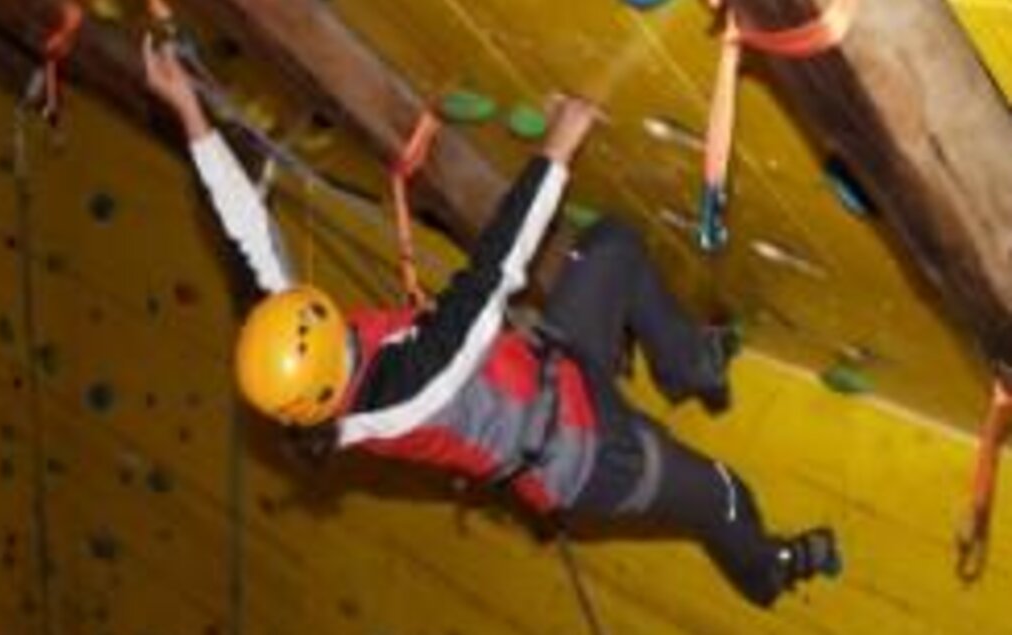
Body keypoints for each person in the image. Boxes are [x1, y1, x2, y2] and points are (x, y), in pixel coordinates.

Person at [143, 35, 840, 608]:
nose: (340, 322)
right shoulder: (409, 385)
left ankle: (690, 366)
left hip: (558, 365)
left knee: (615, 248)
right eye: (336, 335)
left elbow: (249, 239)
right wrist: (557, 150)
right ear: (331, 382)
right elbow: (493, 271)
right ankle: (769, 567)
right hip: (587, 457)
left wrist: (190, 115)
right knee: (721, 494)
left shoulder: (307, 376)